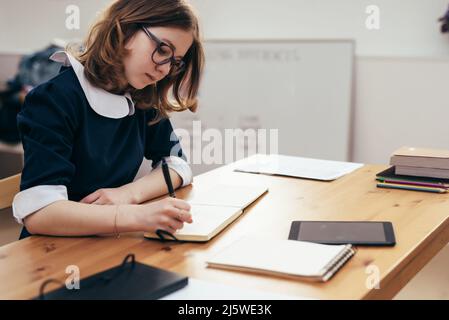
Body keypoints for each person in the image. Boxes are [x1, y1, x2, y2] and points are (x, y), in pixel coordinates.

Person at [12, 0, 204, 239]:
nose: (165, 70)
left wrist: (127, 194)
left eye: (175, 62)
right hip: (53, 250)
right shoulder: (54, 99)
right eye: (163, 50)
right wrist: (134, 216)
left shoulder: (142, 98)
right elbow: (40, 212)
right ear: (124, 29)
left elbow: (178, 166)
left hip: (108, 240)